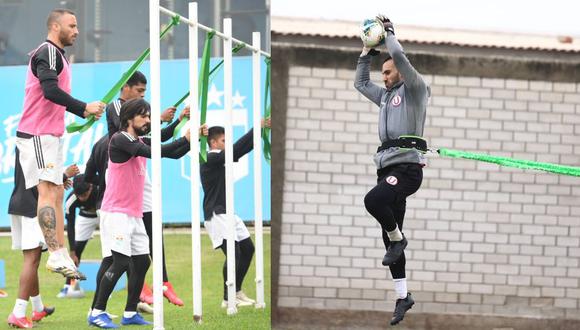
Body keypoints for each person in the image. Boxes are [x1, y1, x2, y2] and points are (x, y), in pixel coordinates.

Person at [86, 70, 191, 311]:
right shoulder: (121, 137)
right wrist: (176, 130)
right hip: (116, 209)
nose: (149, 121)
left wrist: (185, 132)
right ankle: (97, 310)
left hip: (131, 209)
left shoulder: (139, 140)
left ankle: (134, 306)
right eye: (145, 116)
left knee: (141, 260)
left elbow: (166, 146)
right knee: (117, 261)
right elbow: (160, 150)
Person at [15, 8, 104, 279]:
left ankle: (60, 254)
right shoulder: (48, 52)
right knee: (48, 192)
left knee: (56, 192)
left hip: (50, 135)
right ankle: (54, 253)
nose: (77, 31)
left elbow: (55, 95)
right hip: (38, 134)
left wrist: (82, 111)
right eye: (72, 25)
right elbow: (50, 91)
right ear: (55, 26)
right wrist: (84, 107)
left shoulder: (59, 56)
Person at [354, 15, 430, 326]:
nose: (383, 77)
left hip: (408, 169)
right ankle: (403, 295)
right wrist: (365, 52)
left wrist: (388, 34)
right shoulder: (384, 96)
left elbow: (398, 54)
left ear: (400, 71)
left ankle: (398, 239)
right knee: (390, 244)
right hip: (386, 170)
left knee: (373, 202)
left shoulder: (415, 89)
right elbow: (359, 83)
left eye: (387, 72)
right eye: (382, 73)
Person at [200, 117, 271, 308]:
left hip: (228, 212)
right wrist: (258, 127)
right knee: (233, 254)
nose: (227, 144)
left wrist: (260, 133)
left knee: (248, 249)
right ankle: (227, 297)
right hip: (216, 213)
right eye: (223, 141)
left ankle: (237, 291)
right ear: (213, 142)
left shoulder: (220, 156)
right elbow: (237, 150)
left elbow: (241, 149)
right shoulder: (209, 158)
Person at [7, 149, 79, 328]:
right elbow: (39, 176)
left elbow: (37, 175)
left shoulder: (28, 139)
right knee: (31, 261)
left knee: (34, 260)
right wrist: (64, 174)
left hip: (22, 201)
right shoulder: (38, 142)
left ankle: (38, 307)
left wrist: (59, 178)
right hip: (32, 207)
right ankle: (18, 312)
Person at [57, 174, 99, 299]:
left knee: (114, 249)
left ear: (90, 187)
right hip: (86, 217)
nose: (81, 199)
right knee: (77, 251)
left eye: (84, 195)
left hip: (104, 212)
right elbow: (70, 225)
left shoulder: (100, 187)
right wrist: (72, 250)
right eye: (79, 196)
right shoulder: (71, 200)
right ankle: (68, 286)